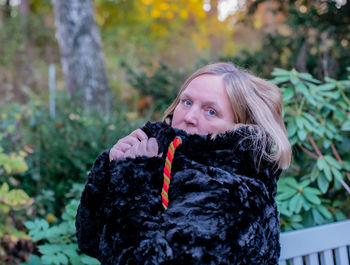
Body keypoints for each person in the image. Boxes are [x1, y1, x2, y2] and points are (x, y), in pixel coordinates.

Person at [76, 62, 291, 265]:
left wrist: (133, 180)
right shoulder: (169, 162)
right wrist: (111, 168)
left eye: (211, 111)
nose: (189, 116)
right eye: (187, 102)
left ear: (240, 125)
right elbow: (91, 241)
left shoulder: (236, 191)